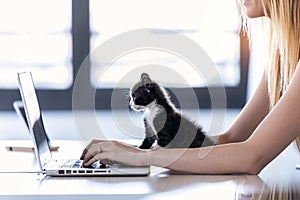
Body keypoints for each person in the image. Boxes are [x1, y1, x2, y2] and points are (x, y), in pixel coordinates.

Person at [80, 0, 300, 175]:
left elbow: (252, 157)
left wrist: (143, 158)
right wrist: (134, 151)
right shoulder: (282, 56)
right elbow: (233, 139)